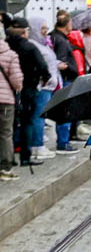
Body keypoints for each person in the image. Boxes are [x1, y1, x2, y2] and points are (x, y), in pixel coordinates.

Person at [7, 14, 51, 167]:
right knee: (27, 122)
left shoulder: (5, 46)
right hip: (28, 89)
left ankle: (9, 157)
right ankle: (25, 156)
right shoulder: (30, 47)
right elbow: (42, 66)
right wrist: (44, 79)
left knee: (9, 125)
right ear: (24, 32)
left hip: (8, 89)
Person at [47, 13, 83, 153]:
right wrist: (71, 68)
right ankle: (63, 142)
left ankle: (64, 140)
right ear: (67, 24)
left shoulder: (55, 37)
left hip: (62, 79)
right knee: (65, 111)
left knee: (63, 111)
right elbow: (61, 61)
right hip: (66, 80)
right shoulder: (61, 41)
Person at [0, 32, 19, 181]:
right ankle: (5, 168)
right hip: (5, 101)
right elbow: (16, 80)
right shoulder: (10, 54)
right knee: (5, 133)